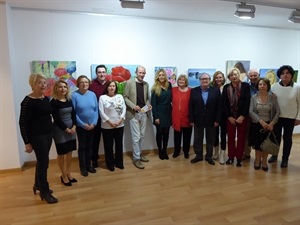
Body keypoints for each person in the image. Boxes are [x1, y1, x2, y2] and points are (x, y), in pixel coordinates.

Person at [19, 73, 58, 204]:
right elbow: (22, 123)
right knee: (44, 163)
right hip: (37, 137)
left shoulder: (45, 99)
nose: (43, 85)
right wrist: (27, 143)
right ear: (33, 85)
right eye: (39, 83)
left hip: (48, 134)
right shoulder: (27, 101)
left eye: (44, 82)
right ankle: (45, 192)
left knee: (42, 162)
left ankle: (37, 185)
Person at [268, 65, 300, 168]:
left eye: (287, 73)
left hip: (290, 118)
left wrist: (298, 118)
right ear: (279, 75)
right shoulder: (274, 87)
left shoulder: (297, 87)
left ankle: (285, 159)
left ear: (291, 75)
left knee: (287, 139)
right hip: (277, 117)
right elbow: (271, 102)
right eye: (282, 73)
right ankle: (274, 155)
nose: (285, 75)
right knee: (275, 138)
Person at [189, 73, 222, 165]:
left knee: (210, 139)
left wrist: (217, 120)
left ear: (209, 80)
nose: (204, 80)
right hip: (197, 119)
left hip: (211, 120)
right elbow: (190, 106)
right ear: (199, 80)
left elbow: (219, 107)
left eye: (206, 79)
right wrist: (191, 120)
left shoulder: (215, 91)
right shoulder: (194, 91)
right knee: (197, 139)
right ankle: (198, 155)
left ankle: (209, 156)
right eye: (202, 79)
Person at [123, 66, 152, 169]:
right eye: (140, 72)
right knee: (136, 137)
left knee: (142, 136)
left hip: (144, 113)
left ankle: (139, 154)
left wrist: (148, 105)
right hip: (133, 113)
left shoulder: (146, 84)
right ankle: (136, 158)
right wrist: (133, 106)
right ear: (136, 73)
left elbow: (147, 99)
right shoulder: (129, 82)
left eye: (143, 73)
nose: (142, 74)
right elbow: (125, 97)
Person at [249, 78, 280, 171]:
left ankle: (264, 161)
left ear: (268, 86)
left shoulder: (273, 97)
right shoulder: (254, 97)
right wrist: (261, 121)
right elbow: (251, 111)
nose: (262, 86)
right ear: (258, 86)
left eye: (264, 84)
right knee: (257, 144)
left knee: (266, 144)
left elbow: (278, 111)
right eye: (260, 84)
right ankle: (257, 160)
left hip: (269, 125)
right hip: (257, 124)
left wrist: (272, 123)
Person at [50, 79, 77, 186]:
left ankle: (68, 173)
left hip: (72, 129)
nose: (63, 89)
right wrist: (67, 129)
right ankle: (63, 175)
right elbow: (57, 119)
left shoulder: (69, 99)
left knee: (70, 152)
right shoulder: (53, 102)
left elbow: (74, 114)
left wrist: (74, 126)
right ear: (56, 88)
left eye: (65, 87)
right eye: (60, 87)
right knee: (61, 153)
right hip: (60, 131)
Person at [223, 68, 250, 167]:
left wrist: (242, 116)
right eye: (231, 75)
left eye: (236, 74)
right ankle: (230, 157)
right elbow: (224, 104)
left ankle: (239, 158)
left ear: (239, 75)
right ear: (229, 77)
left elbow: (247, 102)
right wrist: (229, 116)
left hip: (242, 117)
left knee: (241, 138)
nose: (234, 76)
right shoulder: (226, 87)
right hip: (230, 117)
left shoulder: (246, 86)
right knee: (230, 137)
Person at [72, 75, 99, 176]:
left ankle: (89, 165)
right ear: (78, 84)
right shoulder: (74, 95)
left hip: (92, 125)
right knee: (82, 147)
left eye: (86, 82)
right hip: (81, 126)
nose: (84, 84)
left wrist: (94, 123)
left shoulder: (92, 94)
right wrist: (83, 124)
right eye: (82, 82)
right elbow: (73, 113)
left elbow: (96, 110)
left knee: (90, 146)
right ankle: (83, 167)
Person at [99, 80, 126, 171]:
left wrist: (120, 120)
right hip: (107, 127)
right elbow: (101, 112)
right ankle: (110, 164)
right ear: (107, 87)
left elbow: (124, 109)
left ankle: (119, 162)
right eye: (110, 86)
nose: (112, 88)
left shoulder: (120, 96)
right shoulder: (102, 98)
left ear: (116, 87)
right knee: (108, 146)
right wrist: (110, 122)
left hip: (119, 125)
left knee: (119, 145)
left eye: (113, 86)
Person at [151, 69, 172, 160]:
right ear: (157, 77)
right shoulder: (155, 88)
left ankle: (164, 150)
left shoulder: (169, 85)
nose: (162, 76)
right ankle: (160, 150)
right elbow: (153, 104)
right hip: (159, 112)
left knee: (166, 133)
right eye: (160, 75)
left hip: (168, 112)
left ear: (165, 76)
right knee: (159, 133)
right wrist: (156, 117)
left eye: (163, 75)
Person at [89, 64, 108, 168]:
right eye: (99, 72)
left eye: (103, 72)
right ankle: (94, 159)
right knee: (95, 140)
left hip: (108, 118)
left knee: (108, 139)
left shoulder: (110, 84)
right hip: (96, 116)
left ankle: (109, 159)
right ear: (96, 74)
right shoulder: (91, 85)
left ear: (106, 73)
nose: (101, 74)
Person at [171, 74, 192, 159]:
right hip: (176, 117)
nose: (181, 81)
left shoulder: (191, 91)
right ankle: (176, 151)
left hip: (187, 117)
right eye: (179, 80)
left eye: (183, 80)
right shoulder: (173, 90)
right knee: (177, 137)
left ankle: (186, 152)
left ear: (186, 81)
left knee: (187, 137)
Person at [242, 68, 260, 161]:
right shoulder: (246, 87)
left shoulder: (264, 85)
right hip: (248, 115)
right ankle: (246, 153)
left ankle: (260, 156)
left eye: (255, 75)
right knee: (247, 135)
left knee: (260, 135)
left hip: (261, 115)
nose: (253, 77)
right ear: (248, 77)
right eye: (251, 76)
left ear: (259, 76)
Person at [211, 71, 227, 164]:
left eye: (220, 77)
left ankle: (222, 154)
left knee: (223, 135)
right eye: (216, 77)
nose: (218, 79)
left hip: (224, 115)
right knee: (215, 135)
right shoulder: (212, 89)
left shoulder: (227, 88)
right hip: (214, 115)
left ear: (223, 78)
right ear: (214, 79)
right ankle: (216, 152)